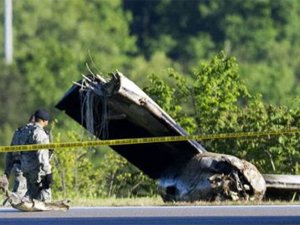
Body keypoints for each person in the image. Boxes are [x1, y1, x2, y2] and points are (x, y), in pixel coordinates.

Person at [21, 109, 53, 202]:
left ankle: (28, 202)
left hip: (26, 167)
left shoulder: (26, 131)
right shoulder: (40, 133)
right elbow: (42, 154)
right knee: (45, 193)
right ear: (44, 121)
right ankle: (44, 203)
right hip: (37, 169)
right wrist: (47, 171)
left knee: (32, 191)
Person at [3, 114, 35, 198]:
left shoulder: (19, 131)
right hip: (34, 173)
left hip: (19, 170)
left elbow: (10, 153)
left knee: (17, 197)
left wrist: (7, 172)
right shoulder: (40, 133)